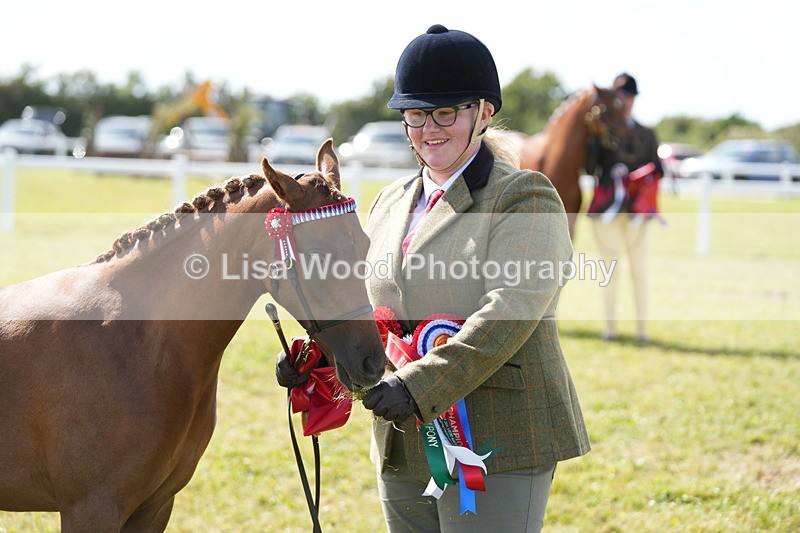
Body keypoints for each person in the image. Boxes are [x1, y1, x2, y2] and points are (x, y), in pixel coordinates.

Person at [355, 24, 590, 532]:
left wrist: (418, 385)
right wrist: (317, 368)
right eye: (416, 114)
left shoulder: (525, 196)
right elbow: (367, 310)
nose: (428, 128)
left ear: (483, 113)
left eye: (446, 112)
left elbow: (511, 310)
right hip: (401, 440)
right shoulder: (389, 201)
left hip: (498, 440)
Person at [586, 72, 664, 344]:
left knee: (639, 270)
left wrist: (641, 181)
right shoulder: (602, 128)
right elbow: (589, 168)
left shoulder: (647, 133)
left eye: (630, 97)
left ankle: (642, 331)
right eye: (622, 96)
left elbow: (659, 168)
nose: (626, 101)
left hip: (637, 214)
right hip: (607, 210)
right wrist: (595, 138)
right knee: (610, 271)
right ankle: (610, 329)